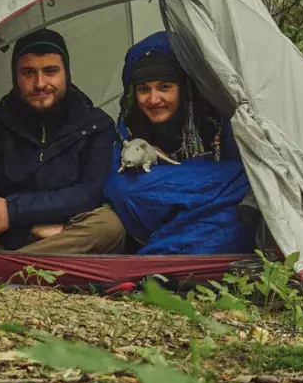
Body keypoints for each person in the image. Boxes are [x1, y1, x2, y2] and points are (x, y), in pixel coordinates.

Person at [0, 27, 126, 254]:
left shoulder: (96, 124)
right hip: (9, 236)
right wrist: (24, 228)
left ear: (66, 73)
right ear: (15, 76)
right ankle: (29, 264)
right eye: (28, 73)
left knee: (109, 226)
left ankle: (0, 265)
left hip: (65, 231)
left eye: (50, 71)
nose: (40, 83)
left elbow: (91, 192)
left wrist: (14, 211)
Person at [103, 32, 256, 255]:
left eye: (164, 87)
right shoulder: (128, 130)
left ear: (183, 88)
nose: (153, 99)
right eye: (143, 89)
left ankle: (155, 259)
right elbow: (122, 189)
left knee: (244, 196)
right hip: (153, 223)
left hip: (214, 219)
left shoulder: (217, 123)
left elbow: (248, 180)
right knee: (123, 187)